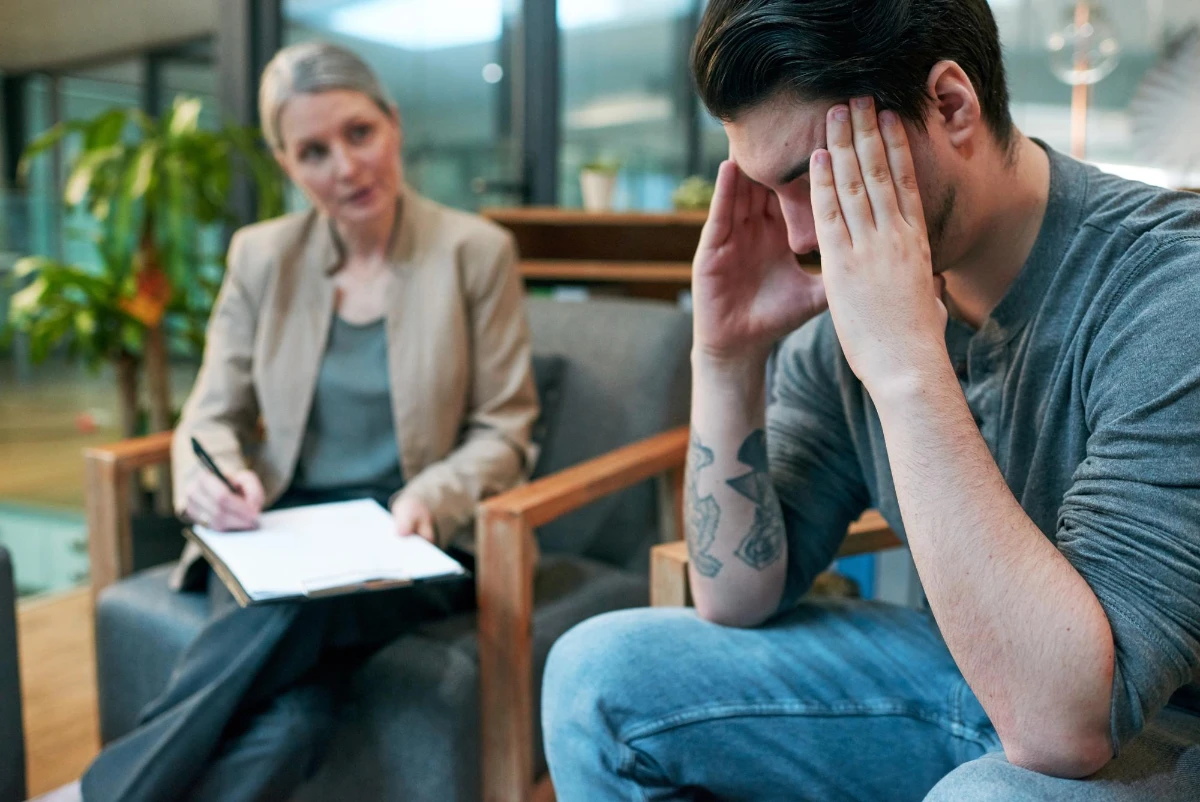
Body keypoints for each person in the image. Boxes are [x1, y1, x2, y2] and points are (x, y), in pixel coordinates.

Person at [541, 1, 1200, 799]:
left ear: (951, 106)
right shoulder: (847, 318)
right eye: (766, 192)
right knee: (597, 675)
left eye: (818, 180)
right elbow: (735, 595)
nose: (798, 239)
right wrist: (726, 358)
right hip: (966, 682)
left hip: (1153, 729)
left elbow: (1066, 730)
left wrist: (906, 366)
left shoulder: (1168, 293)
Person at [81, 41, 538, 802]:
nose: (346, 167)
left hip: (410, 536)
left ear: (392, 124)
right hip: (279, 530)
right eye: (314, 151)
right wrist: (212, 478)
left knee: (291, 613)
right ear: (287, 164)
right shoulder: (261, 256)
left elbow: (505, 426)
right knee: (292, 722)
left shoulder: (474, 252)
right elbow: (212, 410)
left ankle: (106, 793)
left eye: (360, 134)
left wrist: (435, 493)